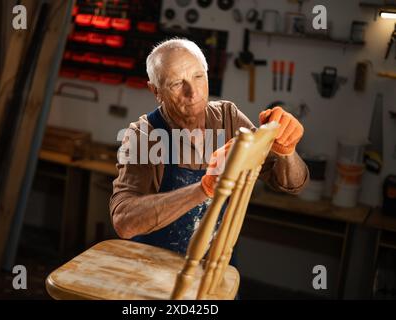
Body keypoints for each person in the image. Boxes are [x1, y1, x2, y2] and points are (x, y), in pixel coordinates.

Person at [109, 38, 309, 256]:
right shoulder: (144, 136)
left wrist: (287, 151)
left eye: (198, 77)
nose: (193, 93)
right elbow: (124, 223)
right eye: (177, 83)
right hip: (151, 267)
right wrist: (203, 189)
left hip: (212, 268)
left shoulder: (227, 118)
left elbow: (294, 184)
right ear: (156, 91)